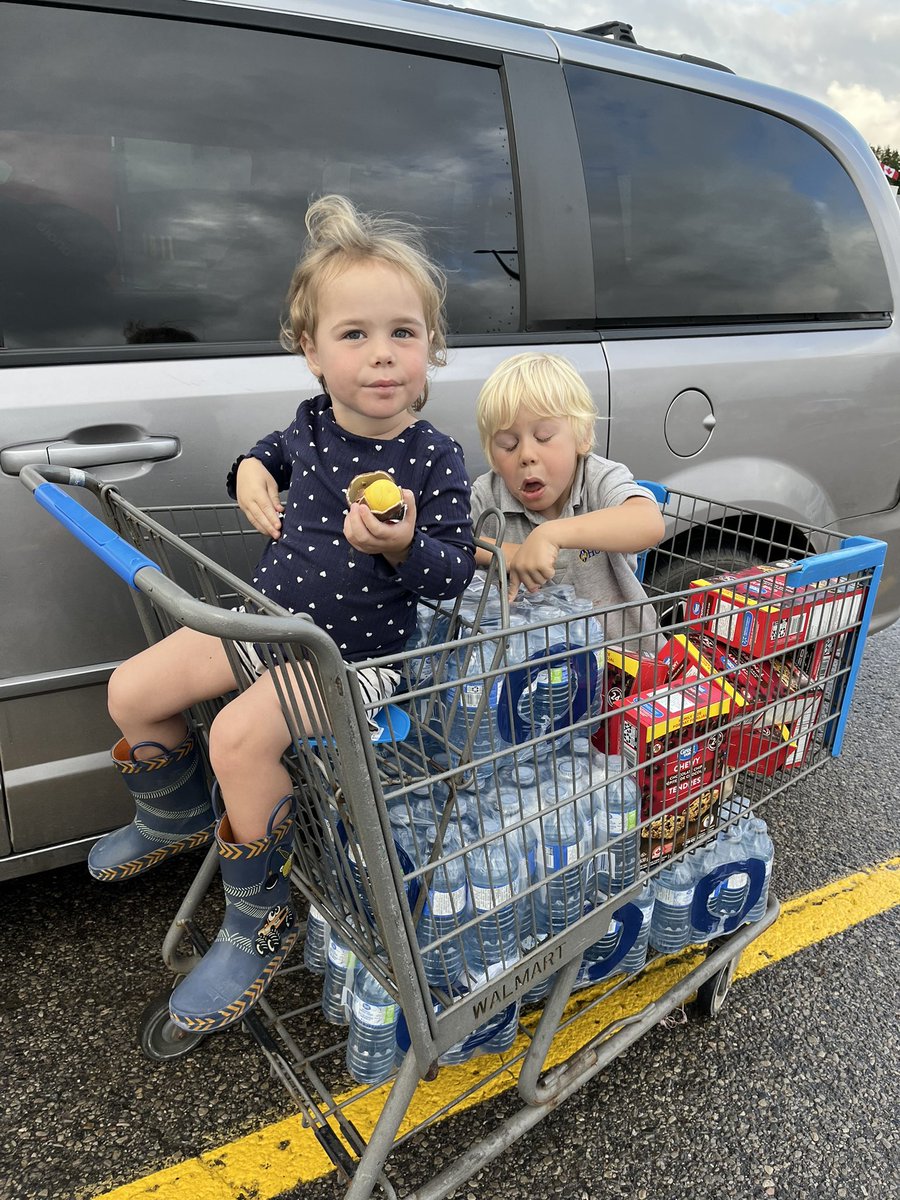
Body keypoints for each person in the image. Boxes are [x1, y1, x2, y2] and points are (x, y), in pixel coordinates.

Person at [93, 195, 476, 1032]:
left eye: (404, 333)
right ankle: (175, 812)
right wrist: (245, 470)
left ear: (431, 348)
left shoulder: (432, 457)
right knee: (133, 690)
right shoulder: (308, 427)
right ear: (310, 351)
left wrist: (402, 546)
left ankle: (257, 920)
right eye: (355, 335)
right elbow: (267, 454)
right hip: (267, 625)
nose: (383, 354)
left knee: (236, 737)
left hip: (351, 664)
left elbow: (452, 573)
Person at [470, 352, 664, 642]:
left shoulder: (596, 478)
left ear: (582, 437)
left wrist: (551, 534)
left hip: (627, 656)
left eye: (544, 437)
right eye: (508, 445)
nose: (526, 455)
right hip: (533, 664)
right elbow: (445, 540)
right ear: (492, 456)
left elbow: (648, 522)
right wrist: (505, 552)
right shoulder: (488, 495)